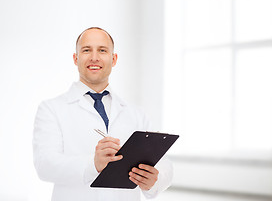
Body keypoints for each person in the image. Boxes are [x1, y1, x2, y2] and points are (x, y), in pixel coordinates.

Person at [33, 27, 173, 201]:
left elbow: (164, 163)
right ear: (76, 59)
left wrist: (155, 179)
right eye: (86, 50)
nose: (94, 57)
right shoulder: (51, 109)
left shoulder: (135, 113)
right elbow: (45, 165)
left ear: (113, 59)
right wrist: (93, 164)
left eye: (102, 50)